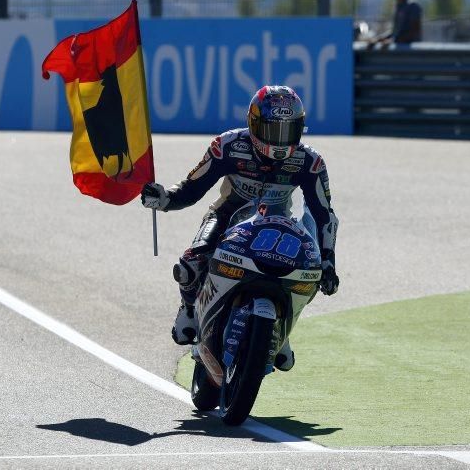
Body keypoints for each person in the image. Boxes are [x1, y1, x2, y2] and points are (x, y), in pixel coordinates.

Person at [141, 86, 339, 371]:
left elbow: (324, 215)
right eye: (273, 130)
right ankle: (188, 309)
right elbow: (192, 189)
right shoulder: (229, 145)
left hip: (280, 226)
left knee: (310, 274)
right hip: (228, 215)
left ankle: (282, 333)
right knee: (190, 264)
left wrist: (329, 261)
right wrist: (164, 199)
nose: (279, 141)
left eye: (288, 131)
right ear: (254, 124)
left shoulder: (310, 162)